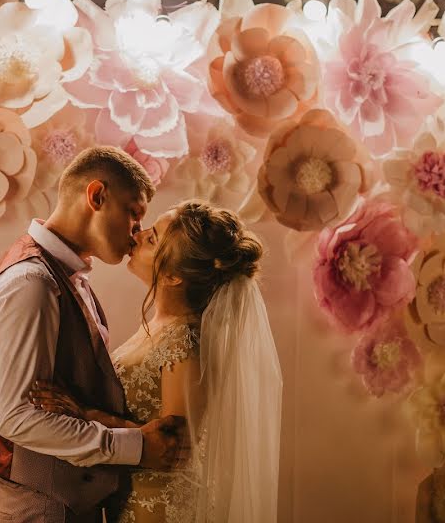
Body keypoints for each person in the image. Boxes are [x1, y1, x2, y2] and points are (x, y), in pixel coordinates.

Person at [0, 146, 189, 523]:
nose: (136, 233)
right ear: (97, 196)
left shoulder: (65, 276)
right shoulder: (32, 282)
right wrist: (136, 446)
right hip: (41, 511)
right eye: (133, 214)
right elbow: (19, 418)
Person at [30, 200, 283, 522]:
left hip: (159, 507)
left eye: (152, 238)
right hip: (131, 498)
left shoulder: (184, 342)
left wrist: (83, 414)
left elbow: (172, 448)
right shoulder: (160, 328)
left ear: (175, 276)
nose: (137, 234)